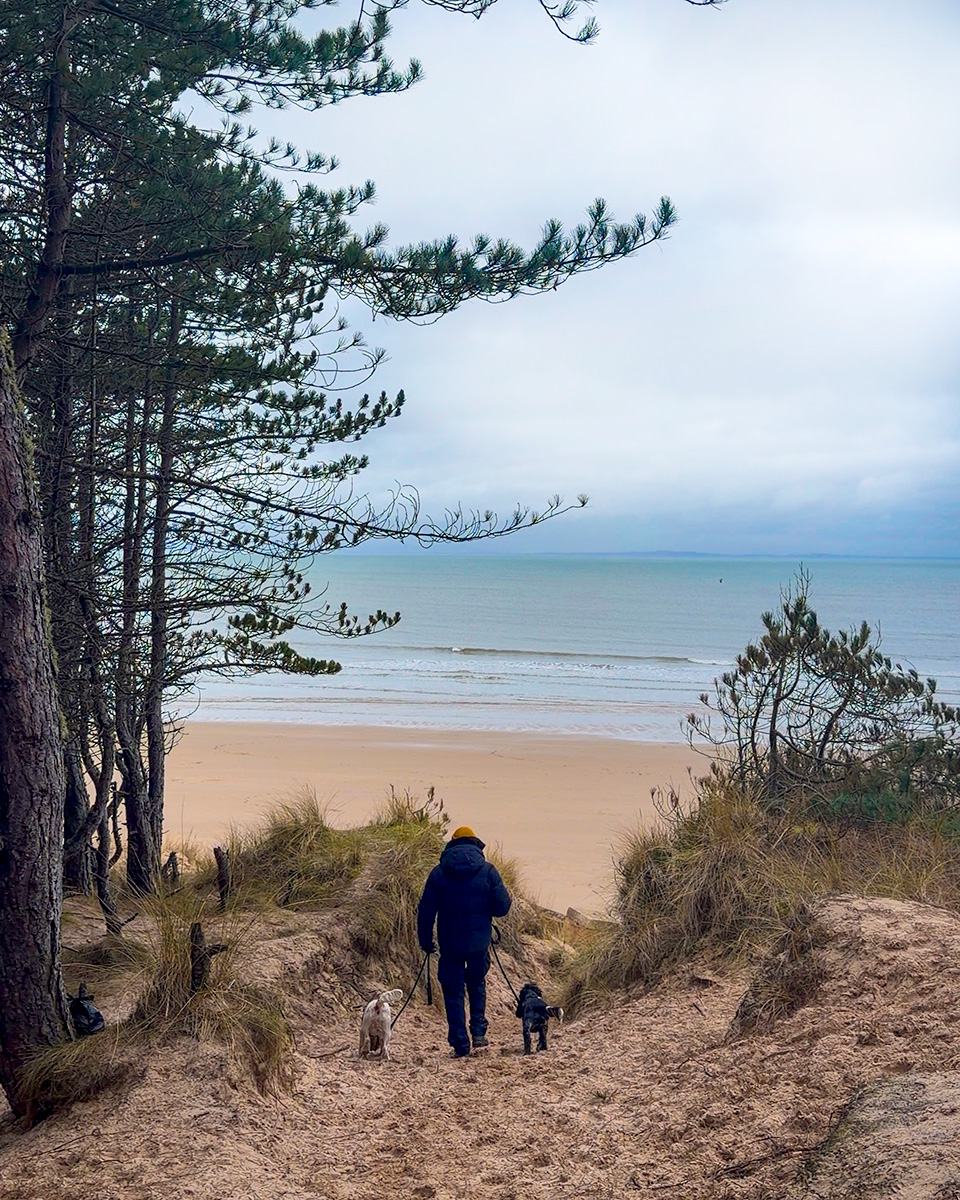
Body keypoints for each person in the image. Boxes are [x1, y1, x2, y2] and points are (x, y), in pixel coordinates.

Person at [417, 825, 511, 1058]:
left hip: (450, 943)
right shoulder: (488, 871)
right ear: (475, 843)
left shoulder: (439, 873)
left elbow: (426, 911)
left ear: (453, 843)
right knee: (477, 982)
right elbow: (502, 908)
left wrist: (426, 942)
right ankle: (478, 1032)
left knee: (453, 990)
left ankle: (460, 1044)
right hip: (479, 941)